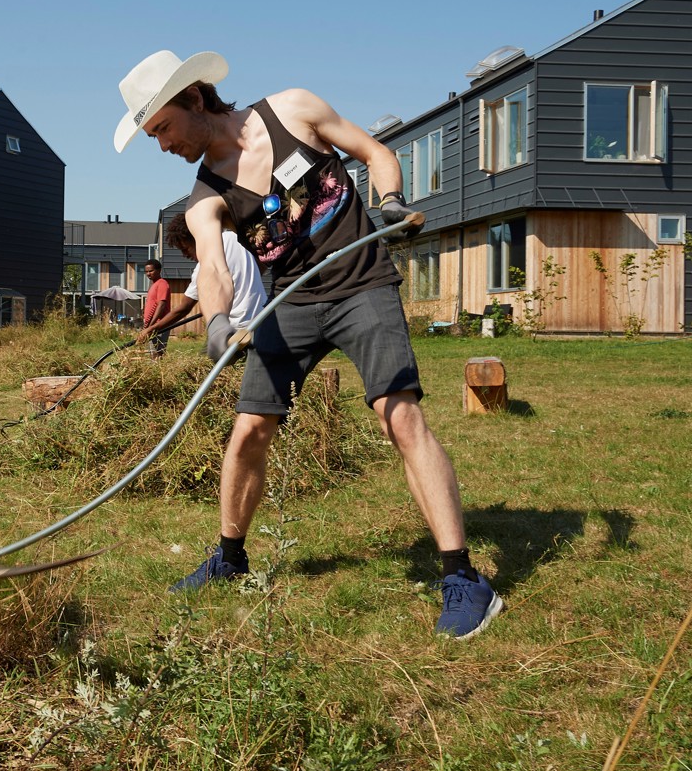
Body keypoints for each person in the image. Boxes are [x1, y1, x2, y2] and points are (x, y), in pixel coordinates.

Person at [113, 50, 502, 639]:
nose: (162, 144)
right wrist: (217, 324)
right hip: (287, 305)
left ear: (194, 98)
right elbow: (213, 268)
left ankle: (464, 577)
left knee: (399, 417)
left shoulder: (292, 111)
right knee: (249, 430)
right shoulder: (205, 196)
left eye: (162, 127)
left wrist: (390, 202)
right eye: (152, 136)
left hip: (360, 284)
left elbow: (376, 155)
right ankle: (230, 558)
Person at [139, 213, 266, 344]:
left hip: (239, 330)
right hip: (263, 318)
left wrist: (152, 329)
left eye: (186, 248)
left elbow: (184, 308)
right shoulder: (235, 237)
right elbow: (262, 264)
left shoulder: (204, 266)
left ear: (197, 237)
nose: (185, 255)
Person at [141, 259, 171, 357]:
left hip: (159, 324)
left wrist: (152, 325)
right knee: (153, 352)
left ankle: (160, 371)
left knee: (158, 353)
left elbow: (161, 305)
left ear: (159, 270)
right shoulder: (153, 285)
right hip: (152, 324)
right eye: (146, 271)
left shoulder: (162, 284)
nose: (148, 274)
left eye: (151, 271)